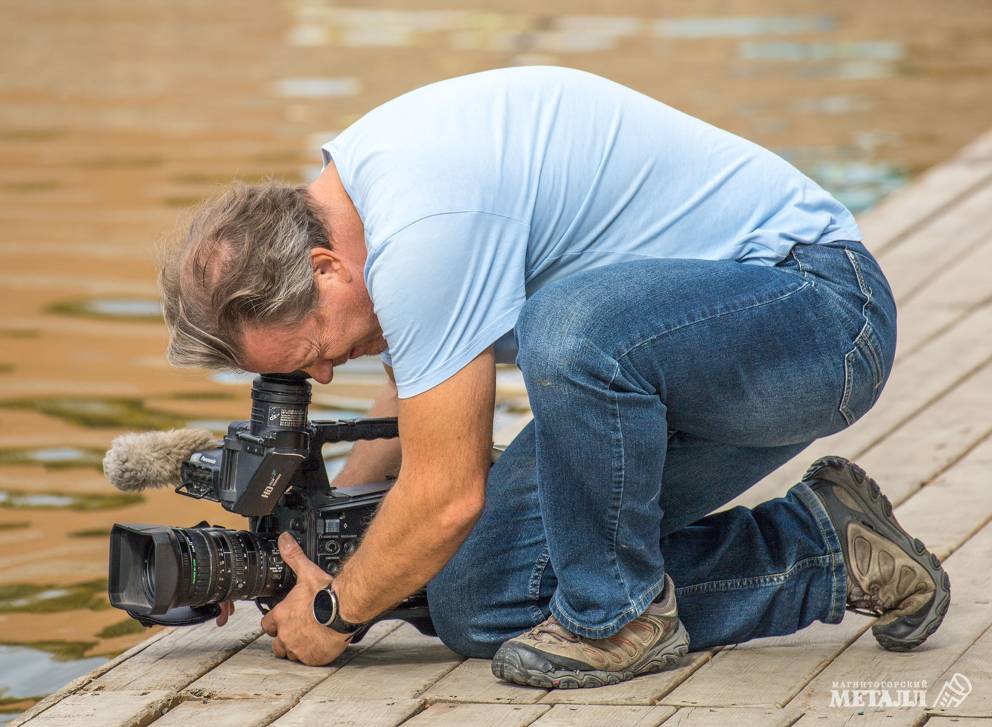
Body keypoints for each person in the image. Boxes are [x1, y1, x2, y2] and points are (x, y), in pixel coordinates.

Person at [158, 65, 949, 688]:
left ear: (325, 269)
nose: (326, 372)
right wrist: (324, 547)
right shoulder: (366, 206)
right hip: (678, 372)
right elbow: (413, 404)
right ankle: (825, 548)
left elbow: (445, 495)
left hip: (820, 319)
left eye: (311, 352)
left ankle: (618, 618)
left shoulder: (423, 222)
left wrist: (333, 612)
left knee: (565, 327)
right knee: (478, 599)